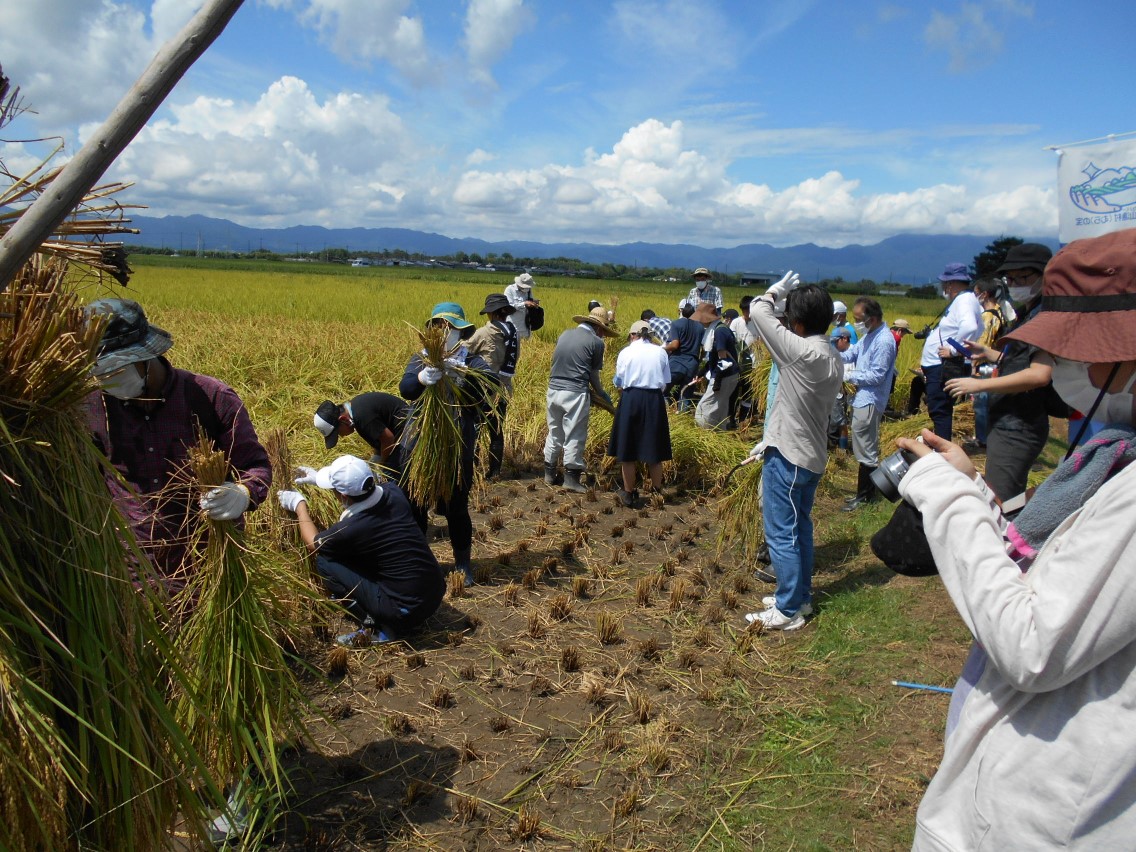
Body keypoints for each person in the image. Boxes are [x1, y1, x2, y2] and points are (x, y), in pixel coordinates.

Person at [893, 227, 1136, 849]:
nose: (1072, 367)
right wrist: (975, 494)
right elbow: (1061, 577)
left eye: (1083, 351)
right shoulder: (1114, 462)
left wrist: (946, 498)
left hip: (1045, 815)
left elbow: (1032, 643)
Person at [84, 298, 271, 589]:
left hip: (208, 563)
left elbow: (256, 466)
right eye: (100, 373)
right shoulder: (94, 408)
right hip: (132, 569)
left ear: (145, 358)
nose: (107, 381)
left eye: (115, 370)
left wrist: (243, 492)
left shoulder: (210, 398)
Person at [742, 274, 842, 631]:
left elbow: (757, 309)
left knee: (781, 532)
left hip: (788, 457)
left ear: (797, 323)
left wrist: (774, 292)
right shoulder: (831, 354)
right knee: (800, 528)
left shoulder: (799, 352)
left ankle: (786, 609)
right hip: (810, 454)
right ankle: (801, 597)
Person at [277, 455, 444, 646]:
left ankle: (375, 628)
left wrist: (300, 506)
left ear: (344, 496)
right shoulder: (394, 492)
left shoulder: (352, 528)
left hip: (405, 612)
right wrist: (320, 480)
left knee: (325, 561)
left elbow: (313, 543)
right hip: (434, 594)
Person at [944, 243, 1058, 501]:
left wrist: (978, 385)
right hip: (1007, 419)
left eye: (1024, 277)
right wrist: (991, 353)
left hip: (1018, 425)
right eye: (1011, 279)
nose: (1016, 284)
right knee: (1001, 493)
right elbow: (1022, 361)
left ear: (1045, 275)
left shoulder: (1046, 316)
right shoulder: (1029, 311)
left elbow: (1039, 374)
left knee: (1001, 500)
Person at [399, 302, 496, 586]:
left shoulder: (472, 361)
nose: (446, 332)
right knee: (416, 503)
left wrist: (463, 379)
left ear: (460, 331)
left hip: (456, 446)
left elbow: (489, 388)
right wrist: (421, 378)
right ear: (433, 329)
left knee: (456, 507)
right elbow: (405, 389)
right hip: (419, 444)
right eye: (441, 326)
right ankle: (421, 562)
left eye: (452, 327)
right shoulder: (421, 359)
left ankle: (463, 564)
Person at [544, 305, 617, 492]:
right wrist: (601, 393)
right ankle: (571, 478)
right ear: (599, 328)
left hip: (553, 390)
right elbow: (593, 375)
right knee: (575, 434)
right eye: (603, 332)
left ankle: (549, 473)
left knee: (555, 432)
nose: (603, 336)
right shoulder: (596, 342)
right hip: (575, 392)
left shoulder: (565, 334)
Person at [838, 297, 896, 510]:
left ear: (871, 319)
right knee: (862, 446)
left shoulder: (884, 341)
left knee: (867, 450)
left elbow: (876, 376)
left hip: (871, 399)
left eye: (858, 319)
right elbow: (853, 352)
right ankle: (863, 495)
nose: (856, 323)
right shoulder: (870, 335)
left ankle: (866, 497)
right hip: (862, 398)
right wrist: (833, 354)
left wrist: (849, 376)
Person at [607, 320, 672, 507]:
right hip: (654, 399)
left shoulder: (626, 352)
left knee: (627, 448)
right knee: (654, 446)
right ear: (650, 335)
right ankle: (657, 492)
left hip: (631, 398)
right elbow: (665, 380)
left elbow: (618, 381)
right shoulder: (660, 352)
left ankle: (628, 493)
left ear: (633, 335)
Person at [919, 262, 982, 440]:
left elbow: (970, 326)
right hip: (941, 365)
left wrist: (953, 350)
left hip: (944, 365)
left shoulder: (964, 300)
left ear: (950, 284)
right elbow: (979, 328)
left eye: (944, 284)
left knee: (940, 411)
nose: (943, 288)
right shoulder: (967, 300)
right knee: (940, 409)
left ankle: (943, 452)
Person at [466, 293, 519, 480]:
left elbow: (464, 351)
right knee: (496, 430)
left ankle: (470, 469)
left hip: (482, 389)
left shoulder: (484, 333)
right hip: (502, 390)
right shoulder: (514, 333)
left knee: (475, 429)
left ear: (492, 314)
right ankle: (495, 471)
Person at [313, 393, 409, 469]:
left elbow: (388, 439)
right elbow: (379, 440)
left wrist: (382, 464)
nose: (341, 436)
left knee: (391, 474)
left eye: (338, 433)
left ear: (343, 419)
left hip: (410, 431)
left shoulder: (361, 417)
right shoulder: (355, 410)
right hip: (398, 435)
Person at [691, 302, 740, 430]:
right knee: (720, 406)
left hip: (725, 375)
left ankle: (704, 433)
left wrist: (717, 380)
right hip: (727, 374)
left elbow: (723, 360)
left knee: (704, 407)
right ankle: (719, 432)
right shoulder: (716, 329)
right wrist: (702, 372)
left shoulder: (719, 332)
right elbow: (715, 358)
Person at [665, 299, 702, 410]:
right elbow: (703, 349)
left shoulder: (676, 324)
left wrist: (663, 348)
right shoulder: (700, 327)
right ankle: (683, 420)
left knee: (662, 390)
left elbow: (675, 345)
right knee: (685, 396)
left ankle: (666, 415)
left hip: (676, 363)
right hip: (692, 366)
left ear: (681, 312)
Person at [828, 328, 852, 450]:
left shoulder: (846, 354)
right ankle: (839, 450)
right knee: (839, 422)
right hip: (832, 393)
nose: (848, 344)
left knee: (839, 422)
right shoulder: (832, 352)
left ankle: (841, 450)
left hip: (838, 393)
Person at [504, 272, 541, 340]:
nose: (527, 288)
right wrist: (524, 304)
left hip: (526, 326)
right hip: (514, 325)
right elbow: (509, 306)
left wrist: (533, 302)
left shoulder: (528, 290)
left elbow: (529, 300)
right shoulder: (510, 289)